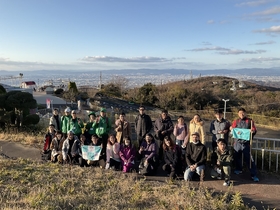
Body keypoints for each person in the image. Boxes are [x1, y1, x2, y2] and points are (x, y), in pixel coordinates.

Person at [230, 108, 259, 182]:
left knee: (249, 159)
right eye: (240, 113)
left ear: (245, 113)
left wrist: (253, 131)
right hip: (237, 143)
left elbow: (254, 129)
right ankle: (238, 169)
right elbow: (232, 129)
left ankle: (253, 174)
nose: (241, 114)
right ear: (238, 114)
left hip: (246, 143)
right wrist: (231, 128)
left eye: (243, 113)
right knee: (236, 157)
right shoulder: (236, 121)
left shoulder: (250, 121)